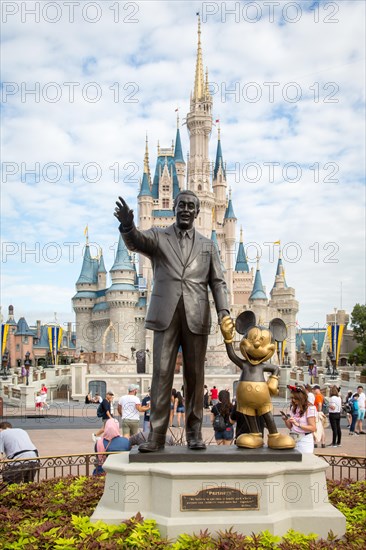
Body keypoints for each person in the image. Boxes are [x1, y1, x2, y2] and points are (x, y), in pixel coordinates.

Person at [115, 190, 231, 452]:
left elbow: (218, 282)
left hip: (196, 315)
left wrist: (224, 311)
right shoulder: (158, 236)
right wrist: (127, 225)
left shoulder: (208, 245)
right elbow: (136, 242)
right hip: (165, 315)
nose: (186, 209)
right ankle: (156, 436)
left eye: (191, 206)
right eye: (182, 205)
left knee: (195, 377)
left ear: (198, 212)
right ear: (174, 208)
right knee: (161, 375)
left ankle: (194, 433)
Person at [282, 386, 316, 453]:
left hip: (304, 441)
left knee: (305, 461)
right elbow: (291, 427)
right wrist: (286, 420)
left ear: (301, 398)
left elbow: (313, 428)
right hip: (293, 438)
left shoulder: (309, 408)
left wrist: (298, 425)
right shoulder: (294, 408)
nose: (293, 400)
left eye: (295, 398)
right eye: (292, 398)